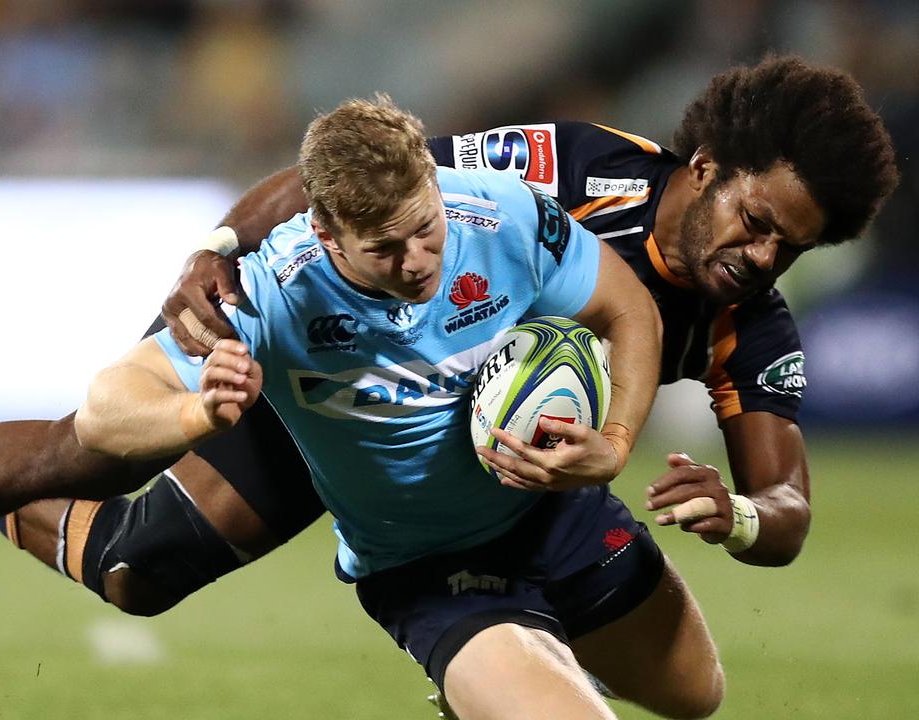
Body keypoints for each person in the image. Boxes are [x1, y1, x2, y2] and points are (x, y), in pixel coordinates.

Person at [0, 54, 896, 718]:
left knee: (695, 694)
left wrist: (726, 510)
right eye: (758, 221)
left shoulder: (747, 324)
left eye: (791, 249)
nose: (763, 257)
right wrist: (212, 256)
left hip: (522, 482)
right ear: (713, 162)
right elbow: (356, 188)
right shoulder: (557, 174)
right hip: (344, 401)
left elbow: (780, 507)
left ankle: (509, 642)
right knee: (124, 530)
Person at [71, 93, 702, 720]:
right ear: (327, 233)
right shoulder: (272, 287)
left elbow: (629, 310)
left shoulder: (504, 212)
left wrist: (616, 442)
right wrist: (198, 416)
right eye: (384, 249)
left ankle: (514, 678)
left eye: (426, 228)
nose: (418, 261)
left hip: (559, 513)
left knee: (695, 695)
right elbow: (103, 412)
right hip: (427, 565)